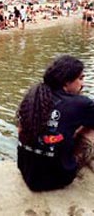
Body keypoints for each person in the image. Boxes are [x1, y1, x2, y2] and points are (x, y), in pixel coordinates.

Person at [17, 55, 94, 191]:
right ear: (66, 82)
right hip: (55, 179)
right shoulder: (80, 103)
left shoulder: (33, 96)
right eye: (80, 78)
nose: (83, 84)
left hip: (26, 171)